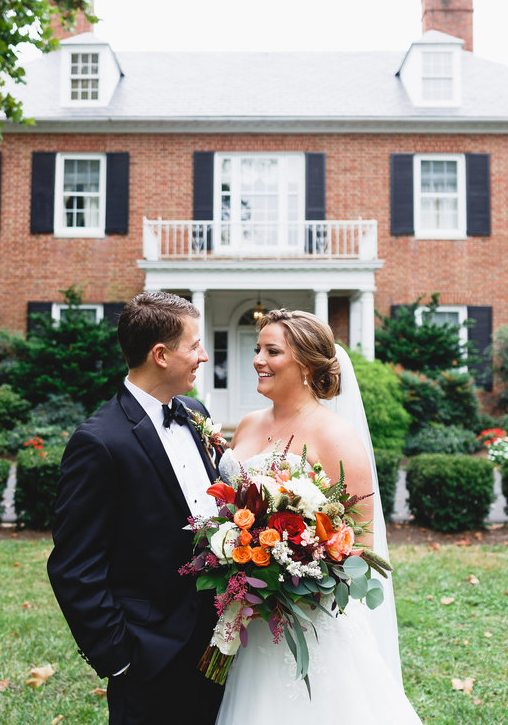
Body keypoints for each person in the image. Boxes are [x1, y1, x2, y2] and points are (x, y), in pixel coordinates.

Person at [214, 309, 421, 722]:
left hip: (306, 618)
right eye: (258, 349)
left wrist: (290, 580)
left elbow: (360, 546)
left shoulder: (336, 435)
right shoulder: (249, 425)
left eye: (272, 351)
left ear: (307, 363)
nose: (258, 359)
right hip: (249, 613)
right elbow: (228, 510)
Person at [47, 291, 226, 725]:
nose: (203, 356)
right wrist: (119, 658)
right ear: (161, 355)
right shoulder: (99, 442)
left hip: (219, 640)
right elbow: (74, 565)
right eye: (194, 345)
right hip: (151, 654)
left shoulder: (194, 412)